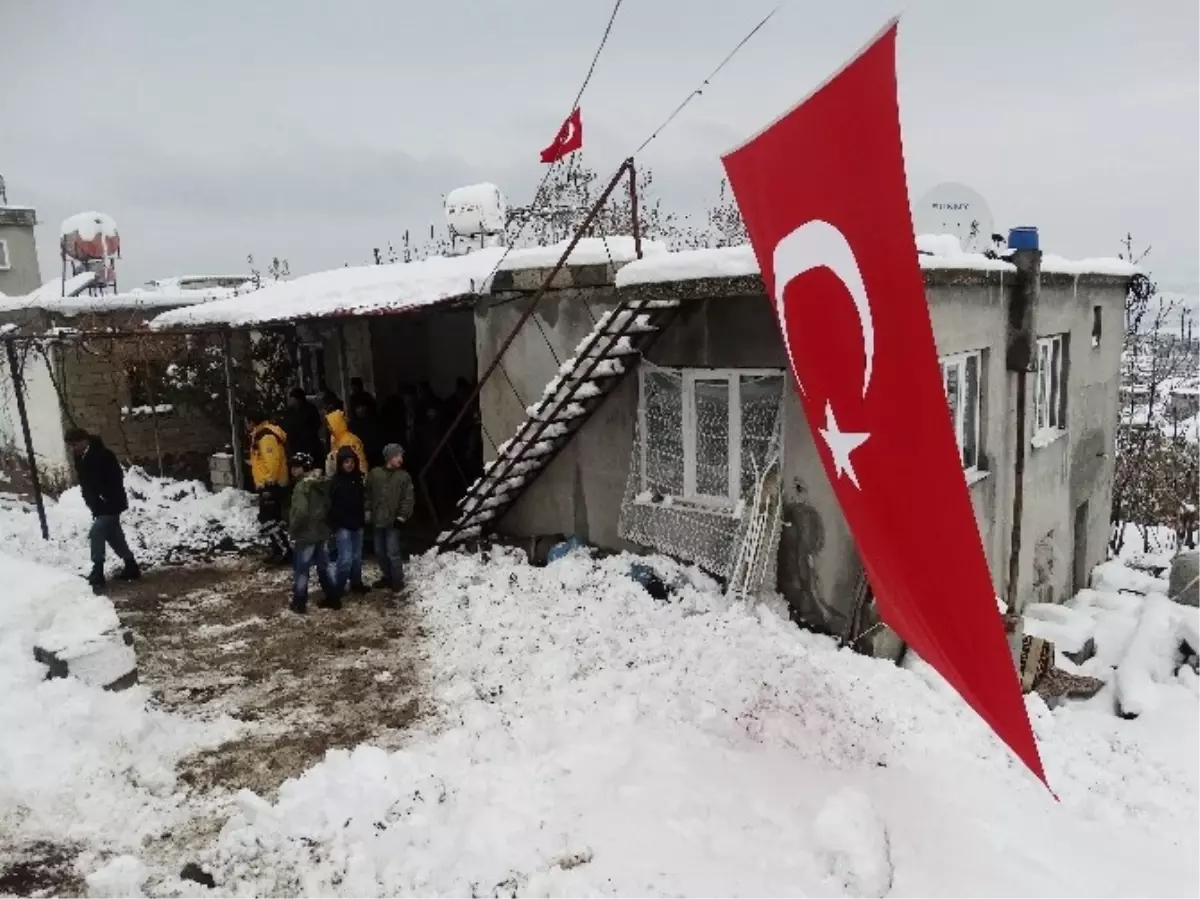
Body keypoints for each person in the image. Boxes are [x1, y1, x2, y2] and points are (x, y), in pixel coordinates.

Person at [65, 427, 140, 588]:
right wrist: (91, 501)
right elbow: (85, 482)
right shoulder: (79, 457)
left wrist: (106, 497)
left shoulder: (104, 455)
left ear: (85, 441)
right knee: (113, 535)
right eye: (70, 445)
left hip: (111, 503)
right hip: (97, 505)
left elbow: (116, 478)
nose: (73, 448)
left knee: (97, 532)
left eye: (75, 444)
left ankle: (97, 570)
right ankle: (131, 565)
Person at [287, 452, 340, 614]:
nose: (293, 471)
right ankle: (333, 598)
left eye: (296, 467)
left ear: (304, 468)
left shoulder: (302, 487)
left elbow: (301, 512)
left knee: (301, 569)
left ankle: (299, 602)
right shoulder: (321, 483)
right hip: (321, 531)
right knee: (323, 567)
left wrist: (293, 529)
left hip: (306, 533)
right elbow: (327, 505)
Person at [365, 443, 415, 590]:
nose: (401, 459)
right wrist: (367, 511)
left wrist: (402, 516)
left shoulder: (404, 477)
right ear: (389, 457)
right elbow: (367, 494)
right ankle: (387, 576)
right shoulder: (375, 474)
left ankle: (397, 580)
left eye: (402, 456)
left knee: (393, 552)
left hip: (393, 521)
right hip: (377, 520)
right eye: (398, 456)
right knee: (380, 552)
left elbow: (408, 498)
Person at [245, 409, 291, 564]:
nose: (245, 425)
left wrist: (267, 482)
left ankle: (284, 550)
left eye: (246, 421)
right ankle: (279, 549)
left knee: (268, 518)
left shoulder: (266, 437)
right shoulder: (261, 435)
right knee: (273, 518)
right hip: (268, 483)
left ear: (252, 421)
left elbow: (272, 461)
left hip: (271, 484)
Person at [329, 445, 370, 596]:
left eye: (352, 461)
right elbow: (330, 504)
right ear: (340, 463)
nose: (349, 464)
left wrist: (365, 513)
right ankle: (337, 588)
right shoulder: (335, 482)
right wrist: (335, 522)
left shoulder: (359, 479)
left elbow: (364, 499)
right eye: (346, 461)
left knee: (357, 557)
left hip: (357, 523)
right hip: (343, 525)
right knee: (345, 558)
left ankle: (356, 583)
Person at [281, 387, 322, 461]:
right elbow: (286, 426)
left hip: (310, 445)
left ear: (298, 399)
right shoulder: (289, 412)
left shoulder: (310, 409)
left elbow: (317, 424)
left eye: (292, 398)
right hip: (294, 446)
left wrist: (308, 434)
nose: (290, 400)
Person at [324, 406, 368, 475]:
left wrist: (362, 477)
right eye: (328, 425)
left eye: (331, 425)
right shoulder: (334, 438)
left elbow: (360, 461)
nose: (329, 427)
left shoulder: (351, 440)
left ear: (337, 424)